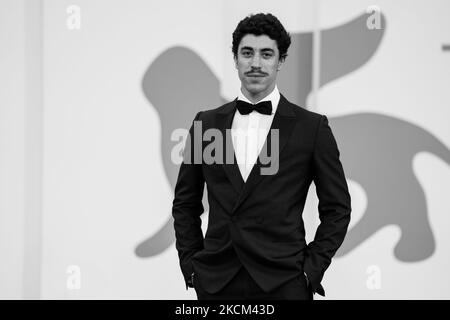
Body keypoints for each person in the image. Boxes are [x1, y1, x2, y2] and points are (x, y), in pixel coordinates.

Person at [172, 12, 351, 300]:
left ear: (281, 61)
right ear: (235, 59)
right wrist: (191, 266)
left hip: (284, 282)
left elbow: (338, 208)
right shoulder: (204, 125)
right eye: (247, 53)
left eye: (266, 54)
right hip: (217, 283)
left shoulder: (312, 127)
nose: (256, 63)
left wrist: (310, 271)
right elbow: (185, 203)